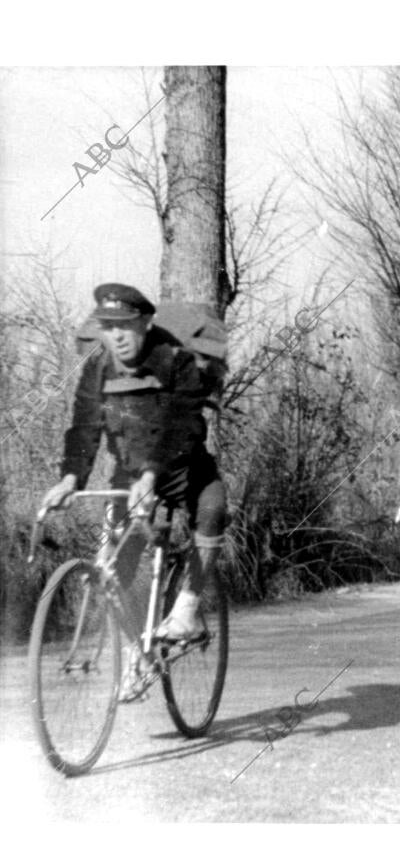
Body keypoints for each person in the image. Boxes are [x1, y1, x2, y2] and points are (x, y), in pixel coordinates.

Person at [40, 284, 227, 700]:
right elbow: (85, 425)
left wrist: (151, 475)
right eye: (108, 326)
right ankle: (136, 655)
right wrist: (72, 477)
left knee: (213, 509)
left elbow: (180, 426)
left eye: (126, 326)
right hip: (128, 477)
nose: (117, 336)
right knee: (113, 573)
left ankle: (186, 611)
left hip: (182, 468)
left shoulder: (175, 362)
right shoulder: (99, 366)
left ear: (145, 323)